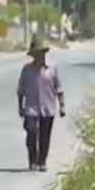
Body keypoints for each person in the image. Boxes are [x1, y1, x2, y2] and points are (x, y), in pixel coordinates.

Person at [16, 37, 65, 171]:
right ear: (33, 55)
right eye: (37, 53)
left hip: (48, 108)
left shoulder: (52, 70)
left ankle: (42, 161)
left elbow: (59, 89)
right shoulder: (26, 70)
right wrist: (20, 107)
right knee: (31, 134)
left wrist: (62, 106)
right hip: (31, 109)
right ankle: (32, 160)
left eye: (42, 53)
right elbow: (20, 90)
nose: (40, 56)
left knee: (45, 136)